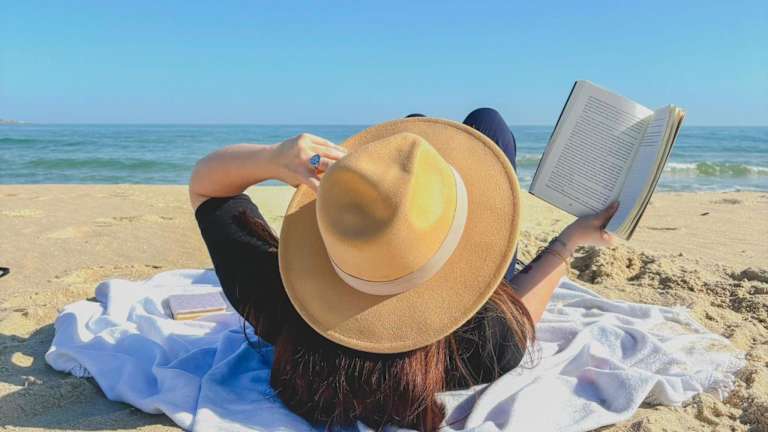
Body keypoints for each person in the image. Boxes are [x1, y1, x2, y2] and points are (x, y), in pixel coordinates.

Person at [189, 108, 618, 430]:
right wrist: (567, 243)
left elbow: (208, 188)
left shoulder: (279, 301)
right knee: (486, 125)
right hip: (447, 284)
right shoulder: (486, 340)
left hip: (364, 289)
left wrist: (272, 158)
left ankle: (411, 174)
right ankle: (423, 187)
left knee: (412, 131)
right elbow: (519, 306)